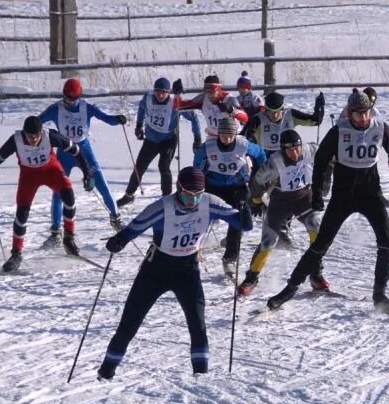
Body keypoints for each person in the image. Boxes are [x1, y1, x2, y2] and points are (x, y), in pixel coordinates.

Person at [266, 88, 389, 311]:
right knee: (320, 245)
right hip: (343, 196)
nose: (363, 118)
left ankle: (379, 295)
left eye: (367, 113)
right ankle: (289, 290)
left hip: (370, 194)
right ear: (350, 113)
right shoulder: (339, 131)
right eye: (358, 114)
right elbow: (321, 162)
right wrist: (316, 194)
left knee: (386, 243)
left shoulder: (379, 127)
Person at [96, 167, 253, 380]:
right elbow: (132, 230)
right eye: (188, 195)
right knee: (129, 325)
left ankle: (201, 378)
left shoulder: (209, 202)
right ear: (179, 189)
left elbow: (244, 226)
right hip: (155, 270)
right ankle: (105, 373)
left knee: (197, 325)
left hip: (188, 271)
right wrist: (118, 242)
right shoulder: (161, 207)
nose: (193, 201)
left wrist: (244, 205)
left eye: (197, 195)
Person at [0, 116, 94, 272]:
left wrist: (87, 173)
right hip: (29, 176)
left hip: (51, 170)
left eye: (36, 135)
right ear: (24, 133)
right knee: (22, 214)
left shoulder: (50, 136)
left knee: (69, 198)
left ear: (41, 132)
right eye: (30, 136)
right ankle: (16, 254)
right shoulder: (16, 140)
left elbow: (76, 150)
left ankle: (68, 238)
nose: (34, 139)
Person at [237, 129, 325, 296]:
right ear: (283, 150)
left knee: (317, 231)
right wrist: (255, 200)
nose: (295, 152)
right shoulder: (275, 162)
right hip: (280, 202)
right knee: (269, 241)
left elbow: (327, 151)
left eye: (297, 148)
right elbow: (257, 180)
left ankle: (316, 275)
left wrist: (324, 180)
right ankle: (251, 279)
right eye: (290, 150)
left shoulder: (308, 150)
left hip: (304, 197)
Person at [38, 78, 127, 239]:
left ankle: (115, 218)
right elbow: (37, 123)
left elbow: (106, 118)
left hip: (84, 150)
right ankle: (56, 230)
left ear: (80, 96)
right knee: (58, 192)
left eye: (74, 98)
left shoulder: (87, 107)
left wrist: (118, 119)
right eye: (67, 98)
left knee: (102, 185)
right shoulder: (55, 109)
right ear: (63, 95)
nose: (71, 102)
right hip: (65, 153)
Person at [193, 117, 266, 277]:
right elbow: (196, 167)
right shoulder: (208, 147)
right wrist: (197, 186)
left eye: (230, 136)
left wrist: (255, 179)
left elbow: (261, 155)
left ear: (235, 134)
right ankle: (192, 250)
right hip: (213, 186)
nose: (226, 139)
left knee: (245, 224)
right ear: (218, 134)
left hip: (236, 188)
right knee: (202, 218)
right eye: (223, 135)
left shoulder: (243, 145)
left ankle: (229, 257)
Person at [116, 77, 203, 208]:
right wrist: (139, 125)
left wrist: (197, 138)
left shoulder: (176, 103)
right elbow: (141, 108)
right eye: (158, 92)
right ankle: (129, 195)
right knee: (139, 167)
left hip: (168, 140)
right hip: (151, 139)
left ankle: (166, 198)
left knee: (163, 166)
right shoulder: (148, 98)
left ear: (169, 92)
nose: (160, 95)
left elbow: (194, 117)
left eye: (164, 92)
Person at [242, 91, 324, 155]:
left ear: (282, 109)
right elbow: (244, 137)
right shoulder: (258, 119)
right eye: (271, 112)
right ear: (266, 110)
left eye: (278, 111)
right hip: (265, 154)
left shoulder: (290, 115)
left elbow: (316, 120)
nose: (275, 115)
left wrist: (319, 107)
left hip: (287, 153)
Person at [175, 75, 249, 139]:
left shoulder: (229, 99)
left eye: (212, 92)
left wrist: (230, 110)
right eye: (207, 92)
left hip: (231, 137)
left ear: (219, 90)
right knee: (200, 155)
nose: (210, 95)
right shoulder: (203, 99)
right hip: (213, 138)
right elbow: (178, 106)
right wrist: (177, 94)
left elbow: (245, 118)